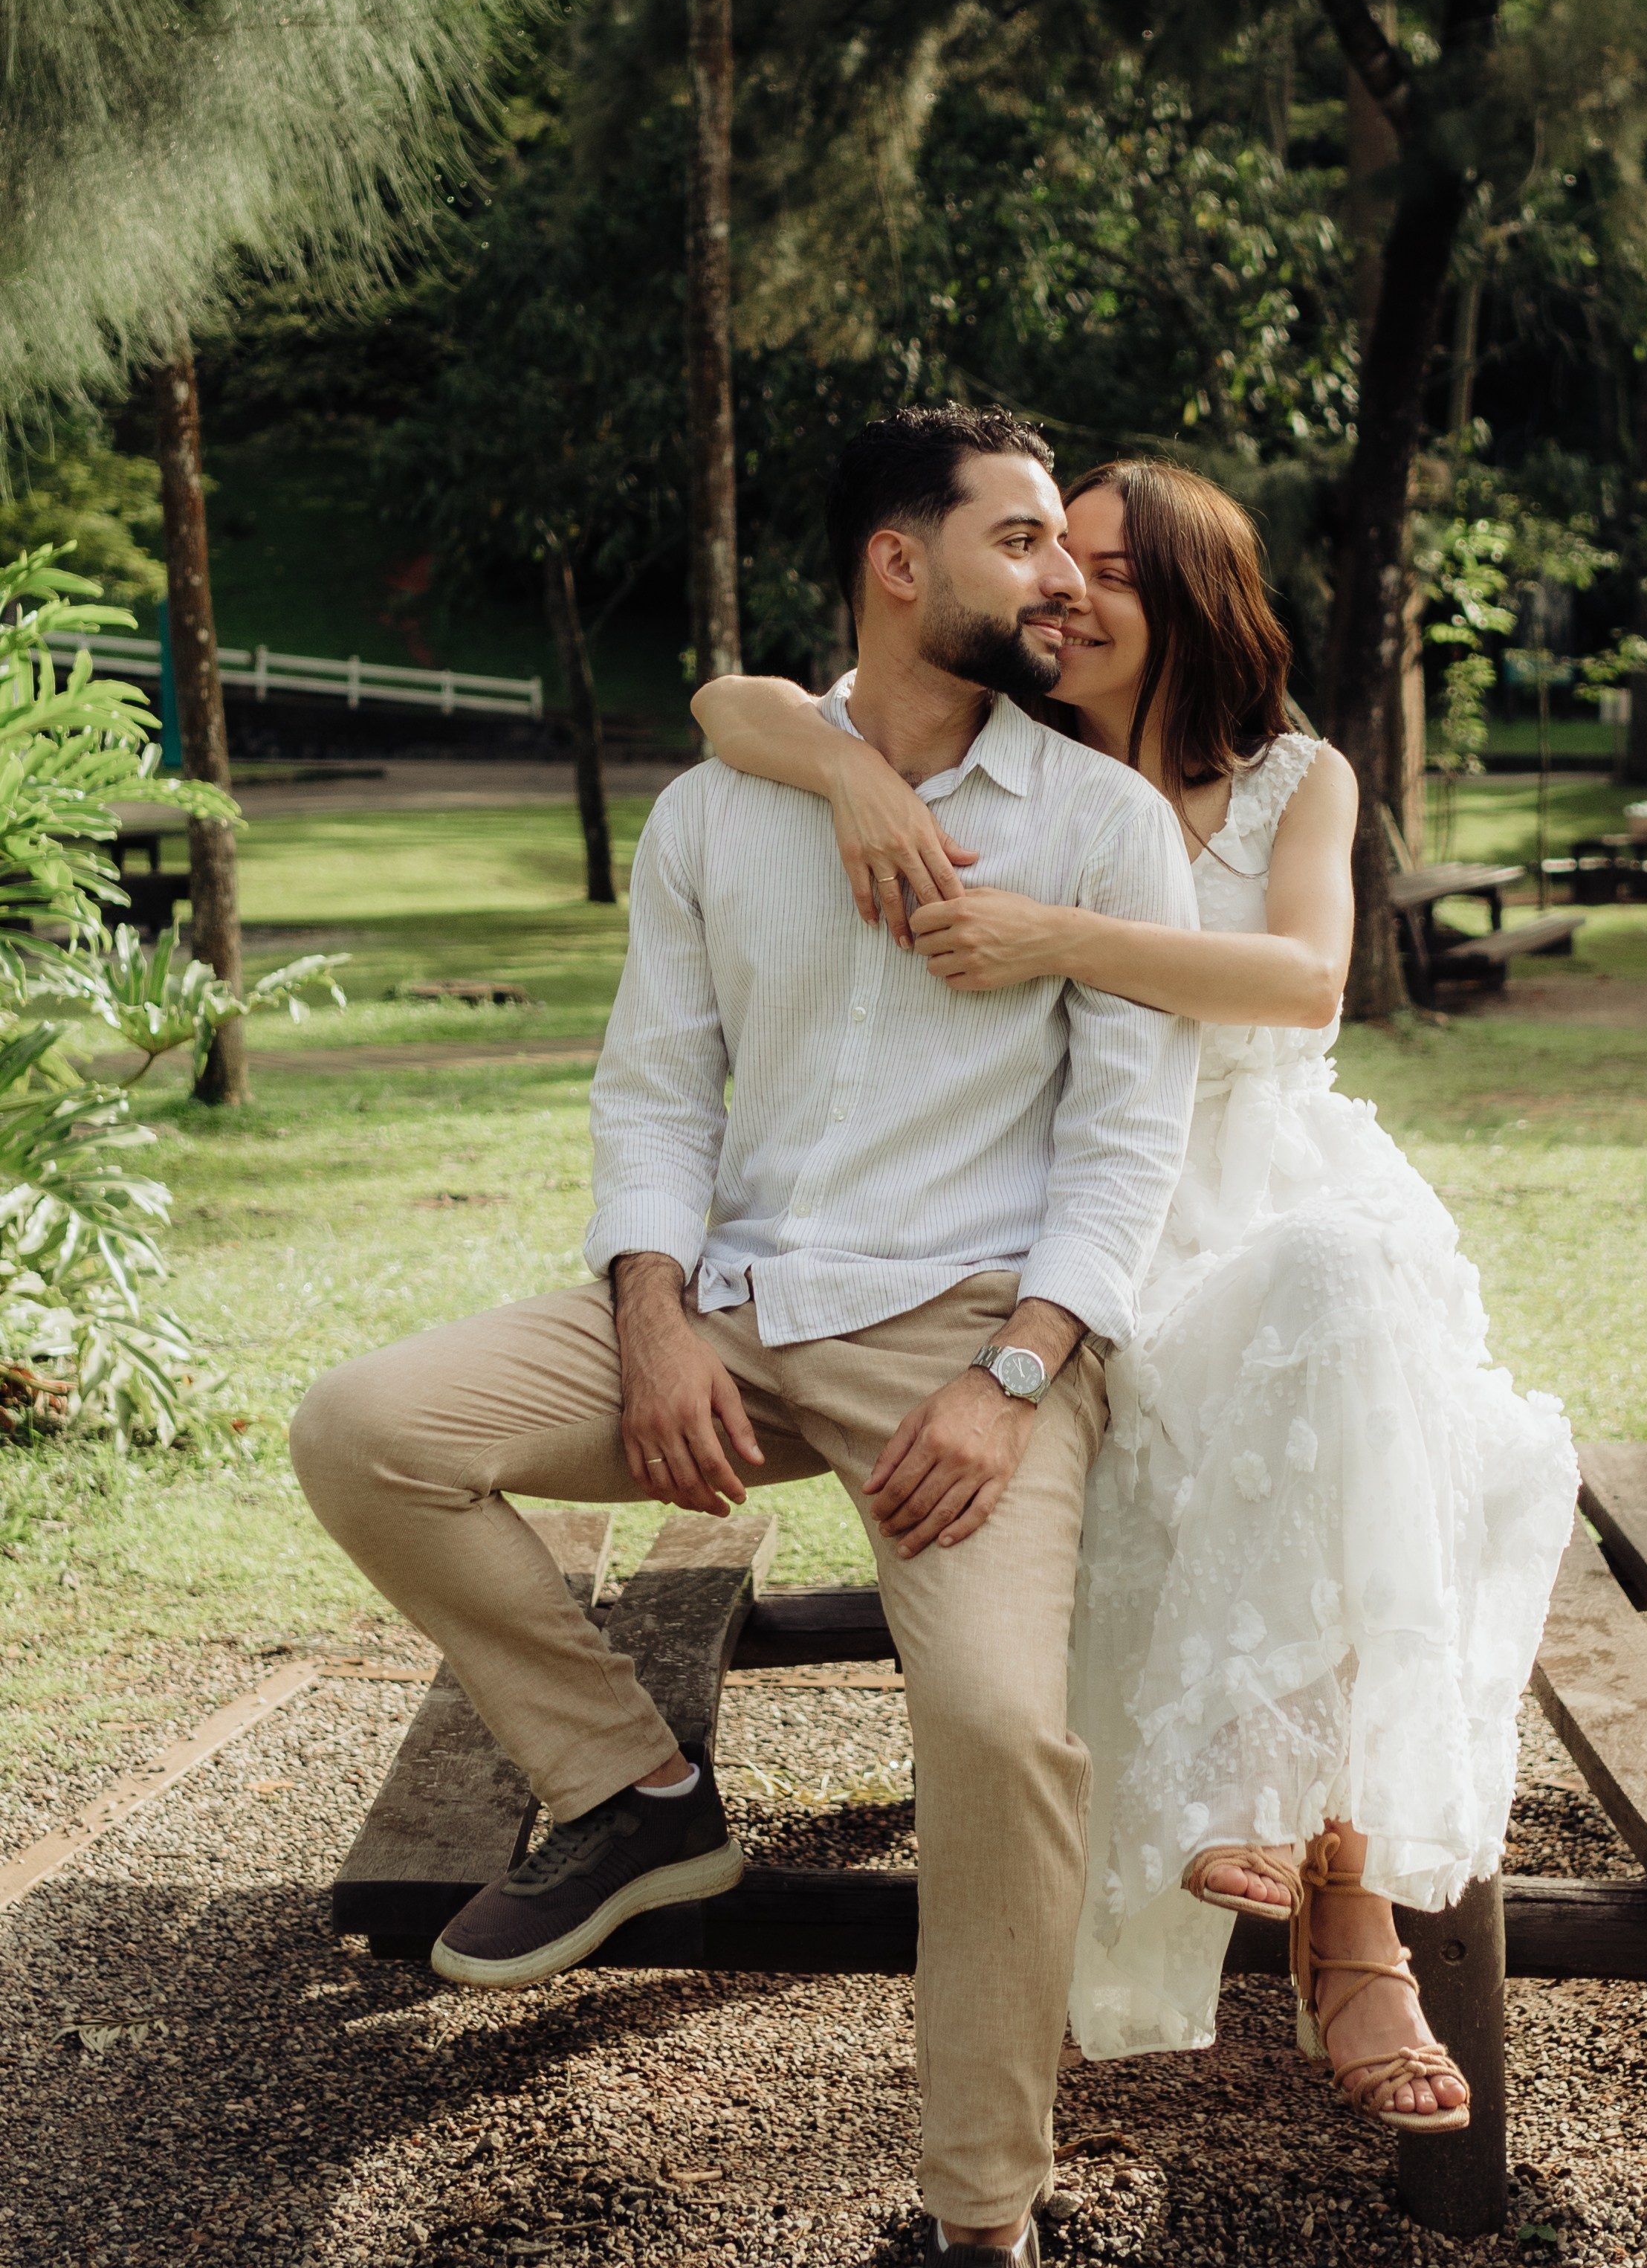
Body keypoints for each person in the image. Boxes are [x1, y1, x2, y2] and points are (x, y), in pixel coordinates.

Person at [290, 406, 1203, 2268]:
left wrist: (1013, 1373)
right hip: (721, 1309)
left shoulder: (1101, 829)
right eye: (1020, 540)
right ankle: (631, 1787)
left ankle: (979, 2220)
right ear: (898, 558)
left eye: (1063, 548)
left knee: (998, 1730)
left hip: (967, 1334)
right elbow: (654, 1093)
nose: (1060, 579)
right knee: (364, 1428)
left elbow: (1127, 1155)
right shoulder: (720, 803)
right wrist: (651, 1313)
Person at [694, 455, 1578, 2136]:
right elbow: (732, 703)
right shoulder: (1016, 757)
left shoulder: (1289, 778)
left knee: (1337, 1292)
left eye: (1106, 571)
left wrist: (1055, 938)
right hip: (1092, 1216)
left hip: (1270, 1182)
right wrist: (842, 769)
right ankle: (1345, 1928)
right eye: (1049, 563)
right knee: (1299, 1363)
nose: (1062, 597)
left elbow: (1304, 982)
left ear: (1187, 598)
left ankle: (1315, 1863)